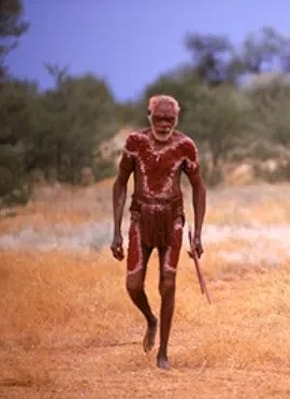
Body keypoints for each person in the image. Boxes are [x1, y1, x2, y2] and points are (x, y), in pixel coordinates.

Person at [110, 94, 206, 370]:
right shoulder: (135, 143)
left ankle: (163, 352)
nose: (164, 125)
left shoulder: (185, 146)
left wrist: (198, 233)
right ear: (148, 116)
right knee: (133, 285)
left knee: (168, 284)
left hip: (172, 220)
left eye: (170, 119)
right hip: (141, 218)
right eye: (159, 118)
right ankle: (151, 319)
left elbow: (199, 188)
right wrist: (116, 230)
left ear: (177, 119)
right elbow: (120, 184)